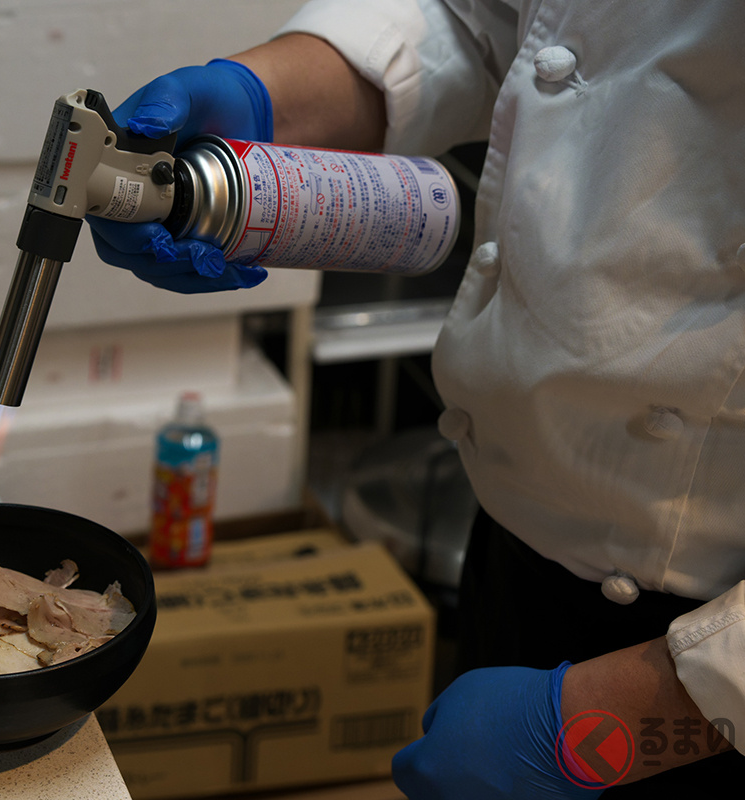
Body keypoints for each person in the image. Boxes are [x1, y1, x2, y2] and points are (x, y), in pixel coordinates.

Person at [85, 0, 745, 796]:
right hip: (517, 540)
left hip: (700, 669)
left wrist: (620, 718)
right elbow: (484, 21)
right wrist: (262, 97)